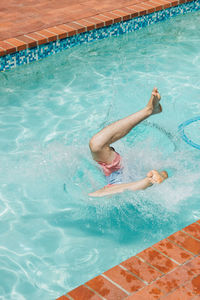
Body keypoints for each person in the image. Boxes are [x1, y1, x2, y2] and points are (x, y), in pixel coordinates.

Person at [88, 88, 168, 197]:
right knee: (95, 195)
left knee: (96, 145)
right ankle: (149, 181)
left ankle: (148, 110)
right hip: (118, 184)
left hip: (117, 171)